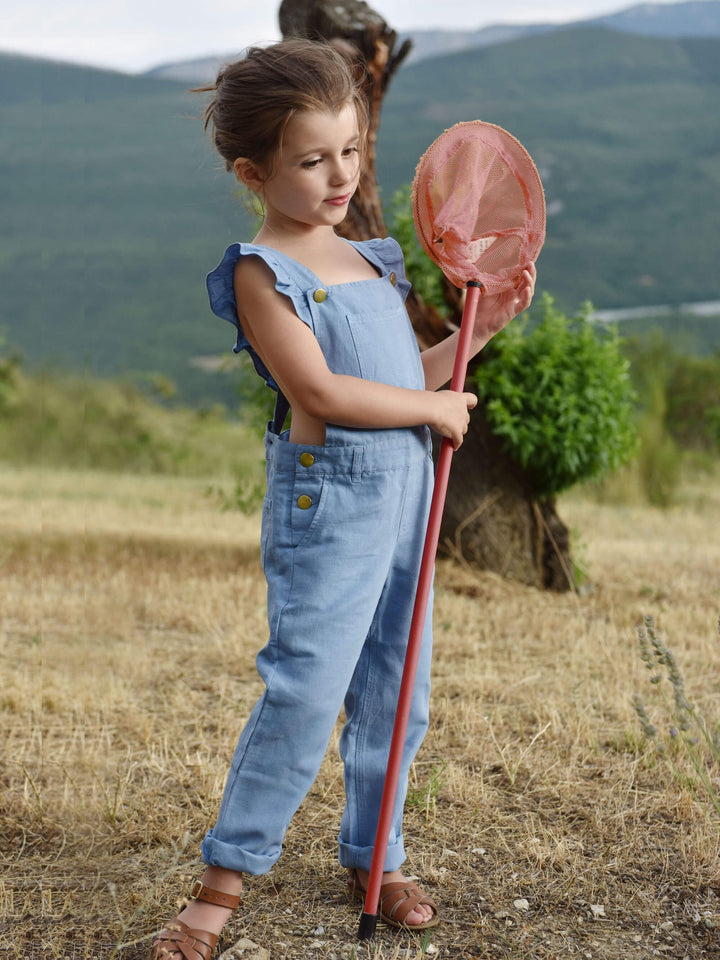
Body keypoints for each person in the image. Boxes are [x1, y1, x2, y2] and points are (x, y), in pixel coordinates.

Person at [151, 37, 536, 960]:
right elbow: (323, 395)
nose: (339, 175)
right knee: (306, 692)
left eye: (352, 151)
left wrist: (478, 343)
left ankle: (379, 860)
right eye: (312, 158)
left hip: (410, 496)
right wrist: (433, 406)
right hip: (333, 510)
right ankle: (221, 885)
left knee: (397, 694)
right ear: (253, 170)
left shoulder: (374, 260)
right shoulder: (262, 273)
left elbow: (412, 378)